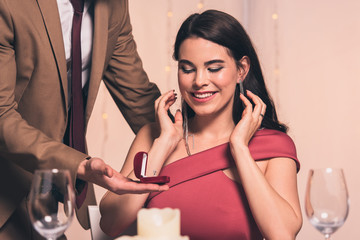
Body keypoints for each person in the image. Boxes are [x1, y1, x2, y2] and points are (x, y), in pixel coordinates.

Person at [100, 9, 302, 240]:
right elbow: (110, 223)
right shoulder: (153, 136)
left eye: (214, 68)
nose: (199, 81)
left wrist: (239, 148)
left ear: (241, 70)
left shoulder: (273, 145)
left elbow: (283, 234)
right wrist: (163, 144)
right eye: (187, 69)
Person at [0, 0, 169, 239]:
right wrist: (80, 165)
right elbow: (1, 115)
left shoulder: (114, 5)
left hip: (44, 197)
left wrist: (200, 141)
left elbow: (138, 98)